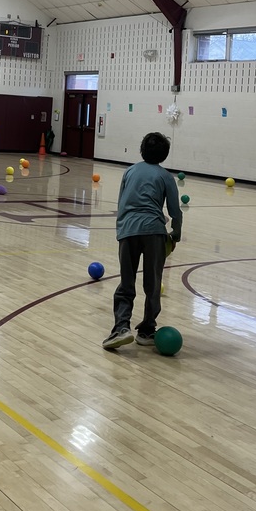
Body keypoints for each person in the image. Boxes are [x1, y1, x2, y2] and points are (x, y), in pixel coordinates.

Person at [102, 131, 182, 350]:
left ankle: (121, 327)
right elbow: (175, 212)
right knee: (153, 284)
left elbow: (121, 204)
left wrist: (123, 230)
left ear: (142, 150)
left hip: (128, 231)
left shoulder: (129, 171)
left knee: (126, 283)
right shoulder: (166, 176)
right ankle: (147, 330)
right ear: (165, 154)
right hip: (154, 232)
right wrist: (175, 235)